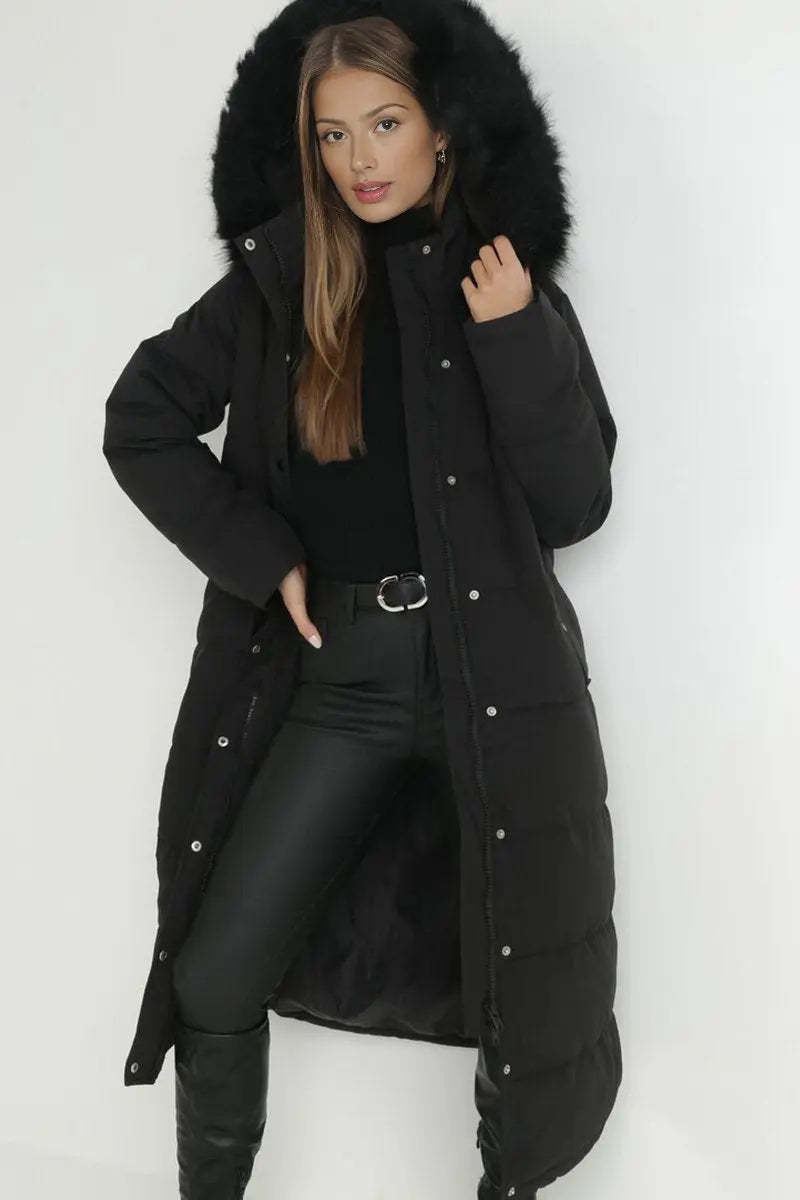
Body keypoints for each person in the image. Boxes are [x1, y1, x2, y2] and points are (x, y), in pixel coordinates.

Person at [102, 4, 621, 1199]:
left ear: (442, 128)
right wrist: (262, 557)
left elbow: (576, 501)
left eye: (384, 124)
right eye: (332, 134)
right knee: (214, 973)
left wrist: (514, 336)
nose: (359, 160)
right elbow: (141, 420)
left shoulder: (499, 280)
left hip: (495, 677)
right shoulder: (281, 283)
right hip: (339, 677)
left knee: (526, 1001)